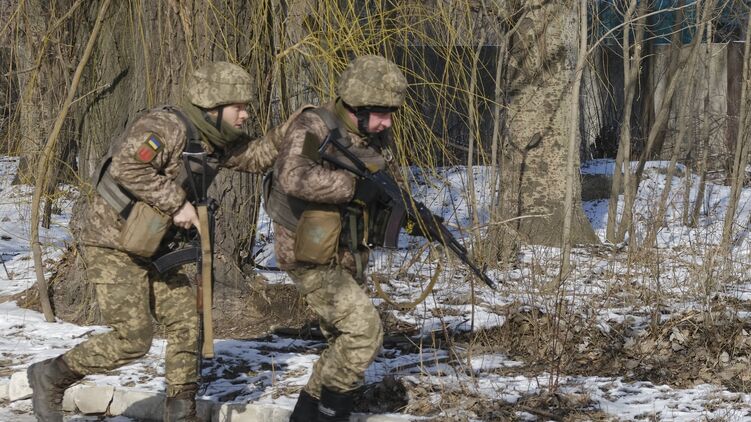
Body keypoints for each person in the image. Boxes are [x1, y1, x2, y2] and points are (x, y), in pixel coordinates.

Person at [27, 61, 285, 422]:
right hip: (113, 242)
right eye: (238, 107)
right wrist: (177, 203)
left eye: (246, 107)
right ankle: (51, 376)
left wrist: (294, 130)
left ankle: (181, 412)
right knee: (133, 339)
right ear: (213, 106)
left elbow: (256, 157)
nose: (245, 114)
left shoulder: (217, 139)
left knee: (186, 323)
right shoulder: (166, 127)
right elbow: (127, 167)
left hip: (158, 245)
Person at [265, 55, 411, 422]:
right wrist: (353, 187)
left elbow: (383, 181)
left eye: (391, 114)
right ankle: (332, 415)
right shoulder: (313, 126)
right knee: (363, 332)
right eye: (381, 113)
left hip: (348, 249)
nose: (387, 122)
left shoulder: (373, 134)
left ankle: (306, 415)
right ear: (356, 106)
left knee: (343, 342)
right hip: (307, 250)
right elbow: (292, 176)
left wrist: (405, 213)